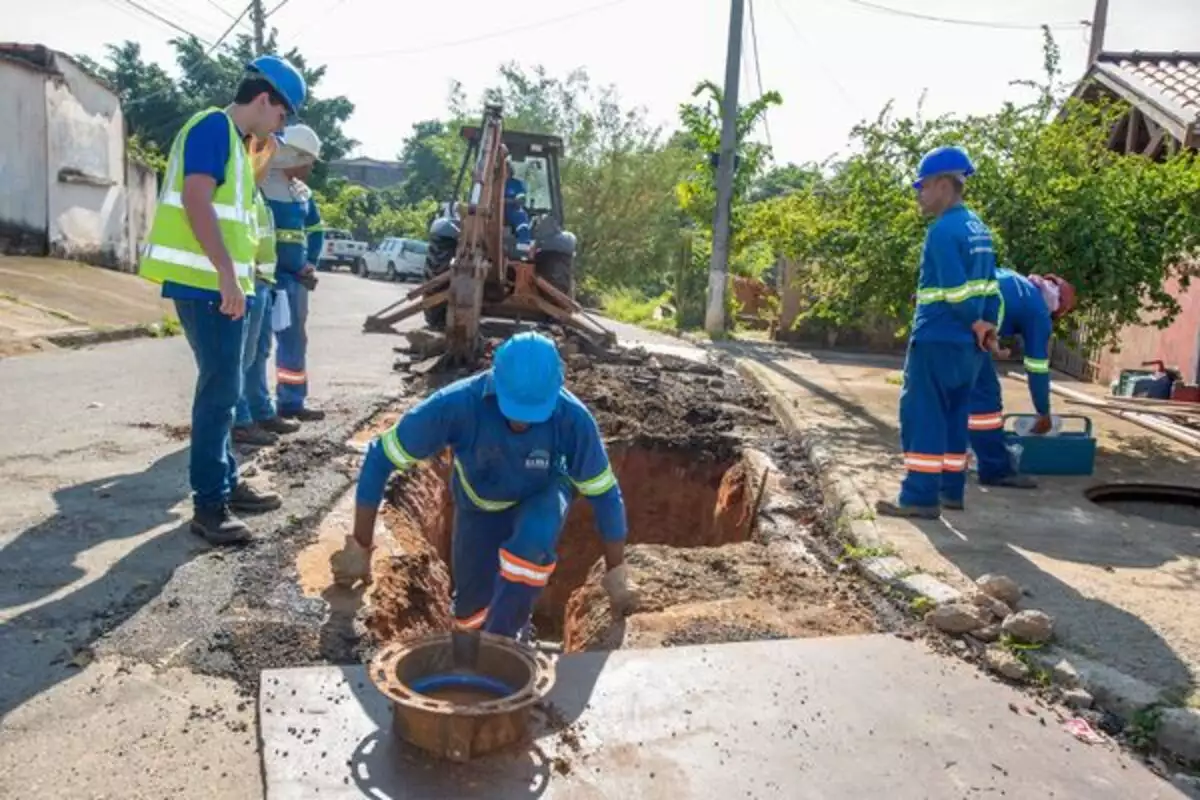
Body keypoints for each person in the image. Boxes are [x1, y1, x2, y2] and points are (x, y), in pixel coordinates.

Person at [331, 331, 637, 639]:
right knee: (470, 612)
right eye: (514, 410)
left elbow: (605, 494)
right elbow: (380, 457)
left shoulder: (573, 420)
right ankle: (478, 644)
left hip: (541, 494)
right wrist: (360, 545)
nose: (523, 424)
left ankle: (508, 639)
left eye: (533, 414)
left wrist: (616, 574)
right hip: (478, 505)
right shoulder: (457, 405)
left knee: (531, 546)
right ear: (495, 381)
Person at [138, 55, 306, 544]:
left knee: (226, 387)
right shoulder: (213, 128)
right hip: (207, 285)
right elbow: (195, 199)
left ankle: (226, 482)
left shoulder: (235, 143)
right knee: (218, 392)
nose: (280, 126)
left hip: (220, 286)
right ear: (263, 99)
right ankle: (209, 504)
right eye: (282, 115)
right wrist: (228, 274)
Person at [876, 145, 1001, 520]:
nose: (920, 194)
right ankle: (951, 491)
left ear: (945, 185)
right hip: (969, 347)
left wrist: (973, 321)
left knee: (923, 414)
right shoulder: (979, 228)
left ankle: (918, 497)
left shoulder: (942, 231)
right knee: (954, 417)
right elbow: (990, 287)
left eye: (924, 186)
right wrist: (986, 326)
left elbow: (954, 289)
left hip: (938, 337)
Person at [963, 269, 1077, 496]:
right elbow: (1037, 367)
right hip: (970, 335)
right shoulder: (1038, 311)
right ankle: (995, 470)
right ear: (1057, 308)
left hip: (945, 324)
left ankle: (953, 458)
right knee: (986, 402)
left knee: (953, 395)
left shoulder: (1015, 280)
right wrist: (1043, 412)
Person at [233, 138, 302, 447]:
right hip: (246, 284)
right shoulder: (240, 194)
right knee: (240, 359)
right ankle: (240, 419)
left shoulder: (257, 196)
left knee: (258, 353)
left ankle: (259, 411)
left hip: (261, 283)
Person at [263, 123, 326, 422]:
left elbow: (315, 229)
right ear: (292, 156)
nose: (309, 169)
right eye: (307, 161)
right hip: (266, 277)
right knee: (258, 345)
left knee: (294, 341)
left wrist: (311, 260)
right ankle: (256, 408)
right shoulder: (260, 185)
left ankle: (291, 402)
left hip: (296, 281)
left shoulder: (302, 194)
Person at [504, 155, 532, 255]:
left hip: (512, 210)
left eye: (506, 169)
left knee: (521, 215)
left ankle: (523, 244)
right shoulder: (492, 184)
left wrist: (512, 201)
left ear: (510, 171)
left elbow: (521, 198)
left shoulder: (517, 184)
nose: (504, 172)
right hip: (493, 211)